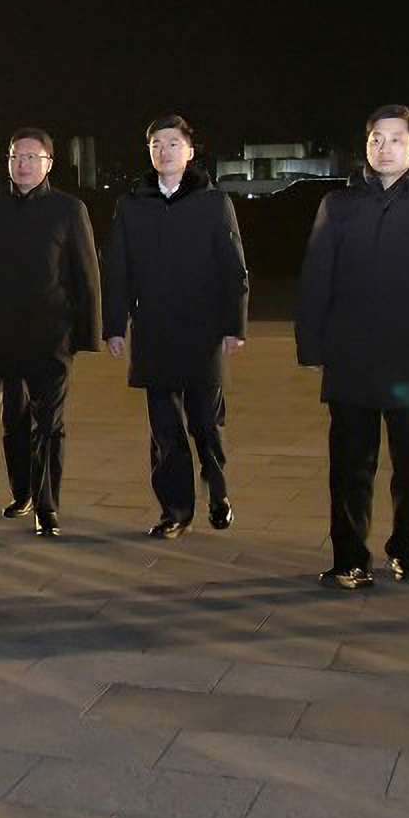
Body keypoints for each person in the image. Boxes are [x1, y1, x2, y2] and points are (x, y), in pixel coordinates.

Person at [295, 104, 409, 590]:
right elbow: (316, 279)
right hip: (352, 356)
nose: (384, 147)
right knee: (350, 466)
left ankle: (407, 550)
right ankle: (350, 560)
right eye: (376, 138)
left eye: (396, 139)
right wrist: (312, 347)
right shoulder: (338, 206)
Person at [103, 115, 248, 539]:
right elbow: (118, 269)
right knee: (165, 428)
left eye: (172, 144)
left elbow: (234, 270)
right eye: (156, 145)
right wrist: (114, 326)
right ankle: (176, 509)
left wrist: (233, 325)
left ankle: (217, 487)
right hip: (153, 330)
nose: (164, 152)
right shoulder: (131, 205)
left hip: (202, 331)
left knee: (204, 420)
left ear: (189, 151)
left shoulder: (213, 202)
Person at [0, 127, 101, 537]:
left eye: (31, 157)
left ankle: (48, 505)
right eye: (15, 157)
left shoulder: (67, 209)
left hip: (52, 333)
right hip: (4, 331)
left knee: (50, 422)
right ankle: (22, 491)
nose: (22, 164)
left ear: (48, 164)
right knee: (13, 418)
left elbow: (87, 274)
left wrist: (88, 333)